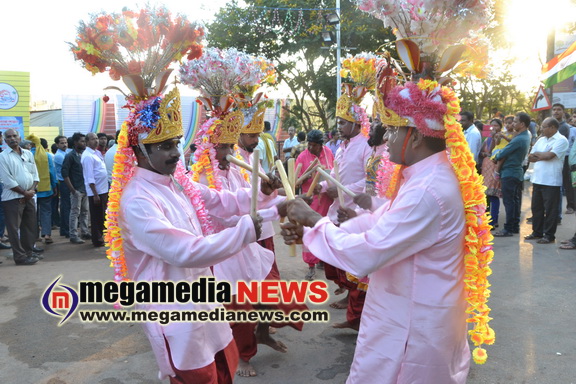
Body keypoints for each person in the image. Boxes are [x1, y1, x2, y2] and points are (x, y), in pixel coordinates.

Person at [281, 79, 494, 382]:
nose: (388, 139)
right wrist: (313, 231)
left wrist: (315, 222)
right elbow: (384, 220)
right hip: (408, 309)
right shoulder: (427, 175)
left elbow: (368, 253)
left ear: (417, 135)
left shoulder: (428, 188)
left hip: (412, 320)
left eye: (393, 130)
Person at [108, 87, 279, 383]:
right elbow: (186, 251)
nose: (175, 152)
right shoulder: (137, 200)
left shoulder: (176, 182)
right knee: (198, 376)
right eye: (164, 146)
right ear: (139, 151)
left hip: (205, 300)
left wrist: (265, 196)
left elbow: (222, 201)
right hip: (175, 312)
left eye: (175, 143)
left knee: (224, 367)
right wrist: (253, 225)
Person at [319, 85, 371, 310]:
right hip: (338, 210)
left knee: (354, 263)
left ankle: (355, 309)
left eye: (342, 122)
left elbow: (370, 181)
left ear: (356, 123)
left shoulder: (366, 146)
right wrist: (318, 187)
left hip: (356, 212)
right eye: (338, 122)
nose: (338, 127)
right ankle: (349, 298)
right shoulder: (342, 147)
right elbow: (333, 175)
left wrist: (342, 189)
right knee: (336, 262)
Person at [295, 129, 334, 280]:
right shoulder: (302, 156)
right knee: (310, 232)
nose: (310, 148)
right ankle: (310, 265)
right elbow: (297, 181)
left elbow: (333, 173)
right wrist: (309, 173)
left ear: (320, 145)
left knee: (324, 230)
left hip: (326, 200)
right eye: (308, 145)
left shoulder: (328, 152)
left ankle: (322, 260)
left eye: (313, 145)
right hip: (310, 200)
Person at [524, 117, 568, 244]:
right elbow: (530, 157)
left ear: (553, 127)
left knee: (550, 210)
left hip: (551, 180)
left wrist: (541, 155)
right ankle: (537, 233)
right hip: (538, 178)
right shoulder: (541, 139)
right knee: (536, 208)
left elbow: (550, 156)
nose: (541, 129)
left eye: (544, 126)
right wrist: (542, 155)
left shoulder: (561, 140)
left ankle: (549, 235)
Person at [0, 129, 41, 265]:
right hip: (12, 198)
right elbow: (7, 180)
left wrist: (30, 192)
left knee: (29, 226)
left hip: (29, 196)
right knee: (14, 228)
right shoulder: (2, 157)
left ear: (19, 137)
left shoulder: (28, 153)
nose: (12, 138)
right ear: (5, 140)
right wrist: (24, 193)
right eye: (9, 137)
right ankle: (20, 257)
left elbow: (35, 175)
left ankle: (29, 252)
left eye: (14, 136)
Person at [492, 112, 531, 237]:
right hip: (515, 172)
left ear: (522, 124)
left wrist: (496, 156)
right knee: (513, 201)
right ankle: (513, 226)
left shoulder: (519, 138)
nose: (512, 124)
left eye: (515, 121)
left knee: (509, 202)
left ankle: (508, 228)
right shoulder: (522, 136)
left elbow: (503, 152)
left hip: (510, 172)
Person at [27, 134, 57, 244]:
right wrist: (54, 186)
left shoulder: (27, 155)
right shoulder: (47, 155)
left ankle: (35, 236)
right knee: (46, 212)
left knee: (33, 213)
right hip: (46, 189)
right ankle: (47, 234)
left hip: (32, 189)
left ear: (31, 144)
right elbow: (52, 173)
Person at [62, 132, 90, 244]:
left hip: (85, 188)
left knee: (85, 212)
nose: (84, 143)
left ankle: (84, 231)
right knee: (75, 212)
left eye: (84, 141)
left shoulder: (84, 154)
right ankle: (73, 235)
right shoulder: (70, 156)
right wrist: (72, 190)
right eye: (82, 141)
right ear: (75, 142)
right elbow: (65, 174)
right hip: (77, 189)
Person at [82, 132, 109, 247]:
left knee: (103, 215)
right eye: (93, 139)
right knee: (96, 216)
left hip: (103, 189)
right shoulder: (87, 156)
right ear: (87, 142)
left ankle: (101, 236)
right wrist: (95, 194)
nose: (96, 141)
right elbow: (89, 177)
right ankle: (97, 239)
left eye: (97, 138)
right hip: (96, 191)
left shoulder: (97, 153)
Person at [552, 103, 576, 214]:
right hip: (554, 157)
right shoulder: (550, 125)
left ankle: (571, 206)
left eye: (559, 110)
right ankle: (554, 212)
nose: (556, 111)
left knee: (568, 183)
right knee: (554, 183)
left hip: (566, 157)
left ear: (563, 112)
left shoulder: (567, 128)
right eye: (554, 109)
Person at [480, 118, 504, 227]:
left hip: (494, 166)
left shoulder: (501, 138)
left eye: (496, 126)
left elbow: (492, 151)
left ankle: (494, 221)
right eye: (492, 126)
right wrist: (484, 154)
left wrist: (494, 138)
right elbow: (482, 152)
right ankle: (486, 218)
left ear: (500, 127)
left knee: (493, 194)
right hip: (486, 167)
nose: (493, 128)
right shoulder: (487, 138)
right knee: (485, 194)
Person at [53, 135, 71, 238]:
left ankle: (65, 229)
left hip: (65, 181)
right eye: (62, 143)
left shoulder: (65, 153)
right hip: (64, 182)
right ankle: (65, 229)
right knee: (66, 206)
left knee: (66, 206)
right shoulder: (59, 155)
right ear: (57, 144)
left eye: (65, 142)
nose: (64, 144)